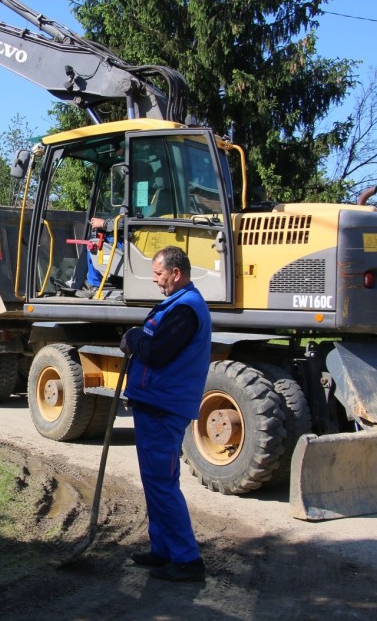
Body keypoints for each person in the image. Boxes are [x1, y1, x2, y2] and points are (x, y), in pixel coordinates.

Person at [119, 245, 211, 582]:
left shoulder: (186, 309)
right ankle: (163, 550)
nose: (156, 281)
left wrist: (132, 338)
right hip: (155, 404)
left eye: (159, 275)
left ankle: (187, 560)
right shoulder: (177, 304)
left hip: (163, 407)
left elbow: (157, 354)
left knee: (162, 484)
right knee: (156, 482)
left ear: (176, 272)